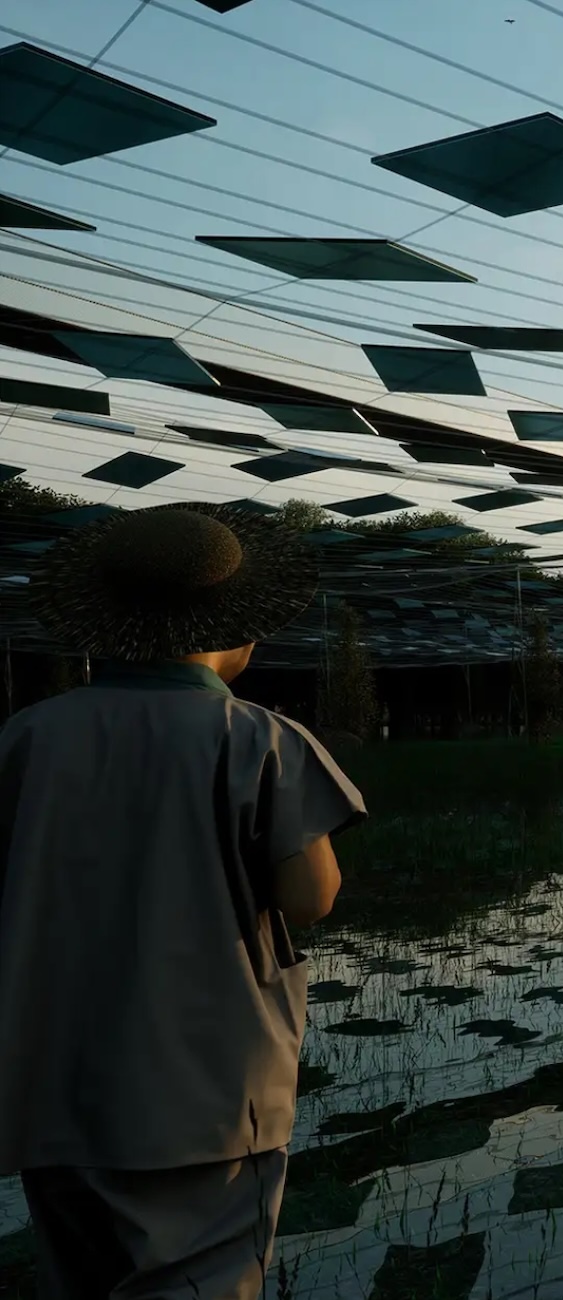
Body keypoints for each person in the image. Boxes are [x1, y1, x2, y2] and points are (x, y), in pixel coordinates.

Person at [0, 504, 368, 1300]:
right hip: (203, 1101)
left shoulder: (27, 737)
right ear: (239, 633)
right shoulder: (259, 738)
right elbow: (311, 898)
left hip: (48, 1092)